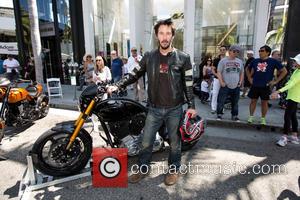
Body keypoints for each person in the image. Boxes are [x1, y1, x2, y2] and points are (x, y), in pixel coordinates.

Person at [107, 18, 196, 186]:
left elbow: (189, 84)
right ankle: (143, 168)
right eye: (161, 33)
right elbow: (133, 74)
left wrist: (192, 106)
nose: (164, 37)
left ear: (172, 36)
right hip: (153, 109)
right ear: (157, 35)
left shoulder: (184, 58)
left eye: (168, 33)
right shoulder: (148, 57)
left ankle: (173, 169)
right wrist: (116, 85)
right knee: (146, 141)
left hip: (175, 109)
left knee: (175, 143)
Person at [246, 45, 287, 125]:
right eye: (259, 51)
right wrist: (249, 78)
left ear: (267, 52)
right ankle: (251, 117)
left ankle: (263, 118)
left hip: (266, 86)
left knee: (264, 102)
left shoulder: (273, 61)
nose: (260, 52)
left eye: (262, 51)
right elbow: (247, 69)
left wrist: (276, 81)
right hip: (255, 85)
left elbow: (284, 71)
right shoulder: (255, 61)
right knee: (253, 101)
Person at [271, 54, 300, 147]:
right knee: (292, 116)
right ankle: (295, 136)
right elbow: (290, 82)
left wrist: (278, 91)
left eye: (295, 61)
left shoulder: (299, 73)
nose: (294, 62)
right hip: (293, 97)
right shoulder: (297, 71)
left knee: (287, 116)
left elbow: (291, 84)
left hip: (294, 97)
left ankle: (284, 138)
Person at [216, 44, 244, 122]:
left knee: (235, 102)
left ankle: (234, 115)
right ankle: (219, 114)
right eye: (234, 51)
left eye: (237, 51)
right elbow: (219, 72)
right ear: (229, 51)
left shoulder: (239, 61)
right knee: (221, 101)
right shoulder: (223, 60)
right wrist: (221, 82)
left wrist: (240, 82)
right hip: (226, 85)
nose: (236, 53)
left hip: (236, 85)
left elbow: (242, 72)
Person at [211, 45, 227, 114]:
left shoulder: (228, 60)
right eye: (221, 50)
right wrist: (217, 75)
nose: (222, 51)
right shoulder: (216, 60)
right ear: (219, 51)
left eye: (224, 50)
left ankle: (221, 108)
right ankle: (213, 108)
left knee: (223, 95)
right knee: (215, 94)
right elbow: (213, 70)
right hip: (217, 79)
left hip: (225, 80)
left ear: (226, 51)